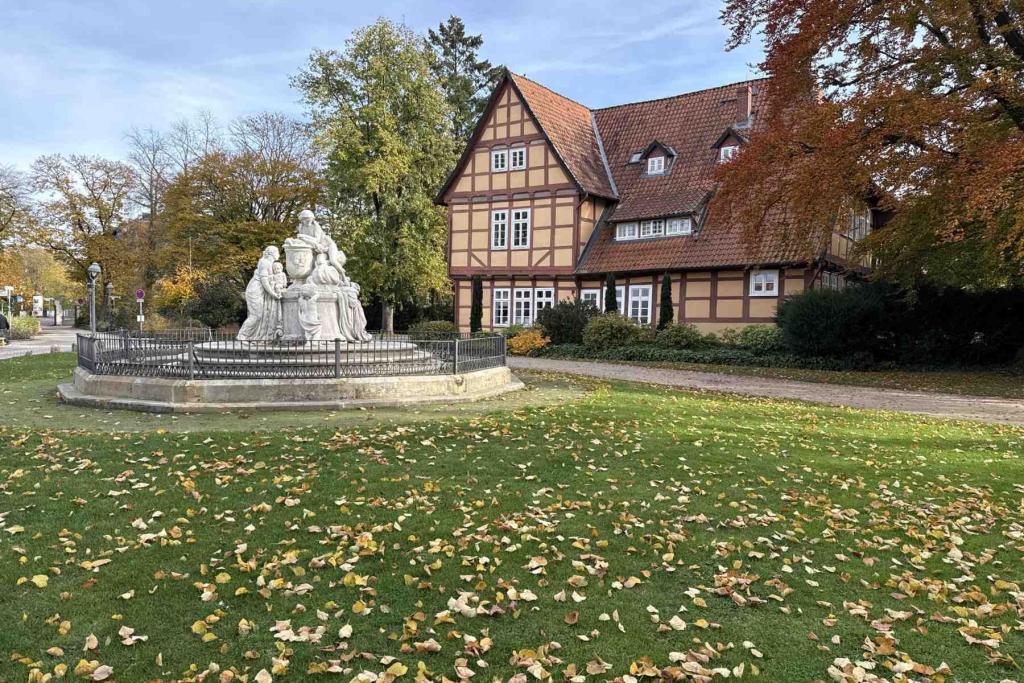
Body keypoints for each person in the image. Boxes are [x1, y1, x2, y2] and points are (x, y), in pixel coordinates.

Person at [237, 246, 282, 341]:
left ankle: (251, 336)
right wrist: (272, 293)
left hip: (259, 290)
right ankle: (242, 336)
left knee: (259, 315)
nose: (278, 254)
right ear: (272, 253)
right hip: (255, 290)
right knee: (256, 315)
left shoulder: (269, 263)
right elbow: (264, 280)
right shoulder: (265, 263)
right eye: (277, 252)